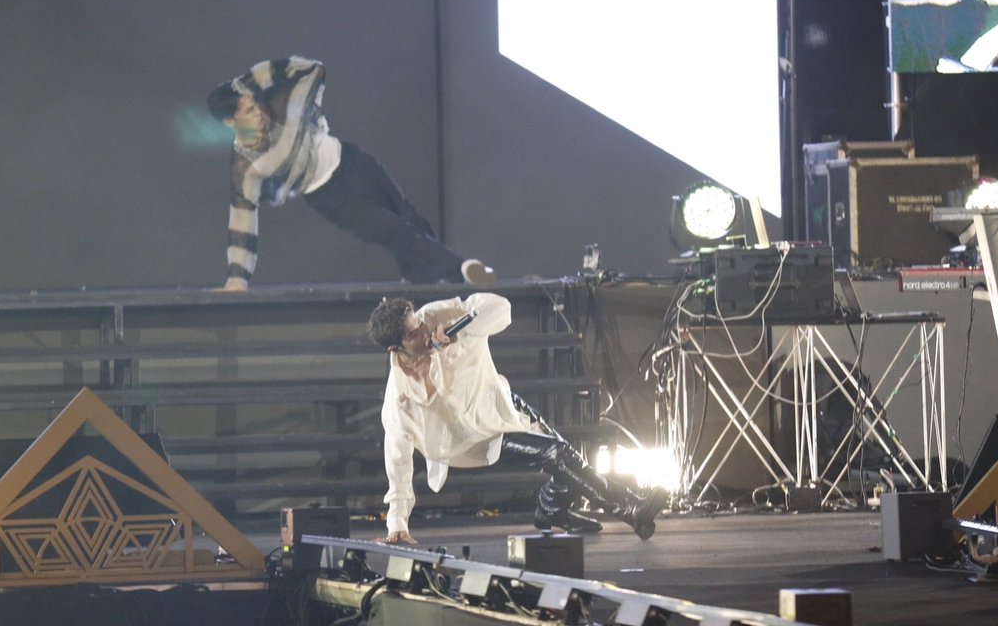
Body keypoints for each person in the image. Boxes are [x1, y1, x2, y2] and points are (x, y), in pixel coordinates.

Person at [366, 293, 667, 544]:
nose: (423, 331)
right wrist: (397, 523)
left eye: (419, 323)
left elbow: (500, 310)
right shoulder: (400, 398)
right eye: (412, 334)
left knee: (562, 455)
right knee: (556, 453)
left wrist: (460, 328)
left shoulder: (438, 314)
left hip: (496, 399)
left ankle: (551, 508)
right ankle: (631, 507)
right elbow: (398, 459)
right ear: (396, 348)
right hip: (471, 434)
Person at [207, 56, 494, 290]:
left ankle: (428, 287)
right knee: (392, 231)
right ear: (231, 123)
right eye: (247, 111)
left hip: (353, 161)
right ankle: (461, 269)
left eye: (253, 103)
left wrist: (245, 82)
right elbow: (242, 219)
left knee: (407, 217)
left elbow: (313, 69)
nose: (257, 111)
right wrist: (236, 280)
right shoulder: (246, 168)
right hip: (330, 197)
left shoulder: (281, 102)